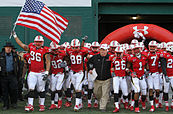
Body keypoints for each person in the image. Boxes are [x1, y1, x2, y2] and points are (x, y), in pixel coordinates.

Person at [12, 31, 51, 112]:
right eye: (37, 42)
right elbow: (22, 44)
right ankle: (30, 105)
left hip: (41, 72)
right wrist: (15, 36)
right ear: (34, 42)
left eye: (39, 42)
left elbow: (48, 61)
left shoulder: (45, 50)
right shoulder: (31, 47)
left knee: (41, 89)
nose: (38, 43)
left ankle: (42, 105)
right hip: (32, 72)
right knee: (31, 89)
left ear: (42, 42)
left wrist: (47, 72)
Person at [87, 44, 112, 112]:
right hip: (97, 79)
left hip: (107, 79)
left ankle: (102, 107)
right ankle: (101, 101)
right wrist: (90, 69)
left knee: (105, 93)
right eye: (101, 49)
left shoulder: (110, 58)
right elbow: (89, 62)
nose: (102, 51)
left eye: (104, 50)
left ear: (107, 50)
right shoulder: (95, 57)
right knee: (96, 93)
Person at [0, 42, 20, 110]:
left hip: (12, 75)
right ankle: (6, 105)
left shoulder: (15, 56)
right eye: (7, 47)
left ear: (11, 48)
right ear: (4, 48)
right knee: (4, 91)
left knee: (14, 90)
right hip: (3, 76)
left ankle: (14, 103)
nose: (8, 49)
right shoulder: (1, 55)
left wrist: (18, 75)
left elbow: (19, 65)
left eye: (9, 48)